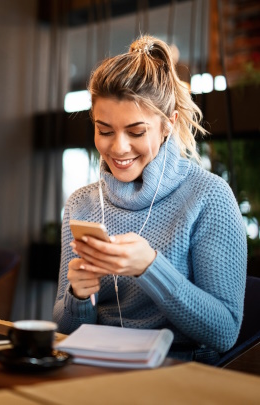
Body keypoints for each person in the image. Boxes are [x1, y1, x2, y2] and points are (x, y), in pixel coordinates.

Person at [53, 35, 247, 364]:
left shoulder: (208, 196)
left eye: (136, 132)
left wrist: (150, 267)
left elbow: (224, 332)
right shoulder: (82, 203)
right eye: (105, 130)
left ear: (167, 125)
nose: (118, 148)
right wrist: (78, 296)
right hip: (98, 367)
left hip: (181, 373)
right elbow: (65, 330)